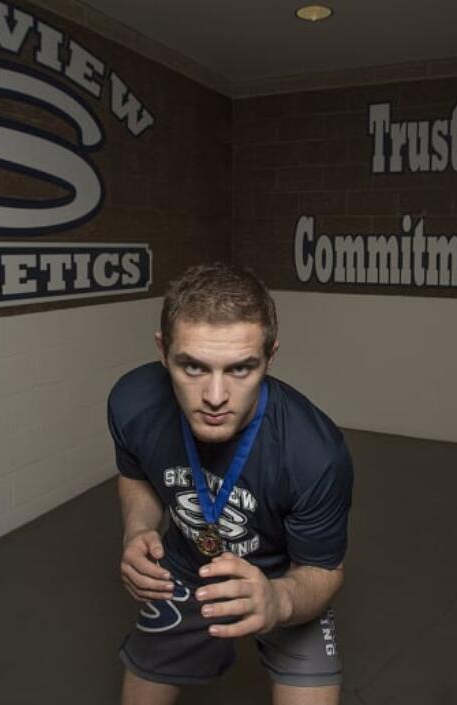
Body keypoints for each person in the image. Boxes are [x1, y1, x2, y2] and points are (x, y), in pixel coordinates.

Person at [107, 262, 354, 705]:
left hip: (284, 579)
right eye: (193, 367)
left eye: (241, 369)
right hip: (185, 567)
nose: (216, 397)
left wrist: (277, 601)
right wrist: (138, 529)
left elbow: (322, 571)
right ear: (163, 352)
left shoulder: (314, 452)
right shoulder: (133, 403)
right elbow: (136, 475)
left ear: (270, 357)